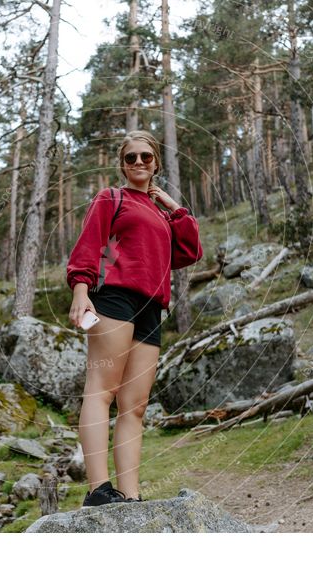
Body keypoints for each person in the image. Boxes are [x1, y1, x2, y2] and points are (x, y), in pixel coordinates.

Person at [66, 130, 203, 506]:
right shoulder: (111, 198)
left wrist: (175, 208)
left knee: (136, 405)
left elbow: (190, 250)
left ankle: (130, 495)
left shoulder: (161, 213)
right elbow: (90, 245)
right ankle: (98, 490)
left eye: (146, 157)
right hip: (114, 298)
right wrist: (81, 290)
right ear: (122, 164)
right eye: (131, 158)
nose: (139, 163)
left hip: (151, 308)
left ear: (156, 162)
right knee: (102, 389)